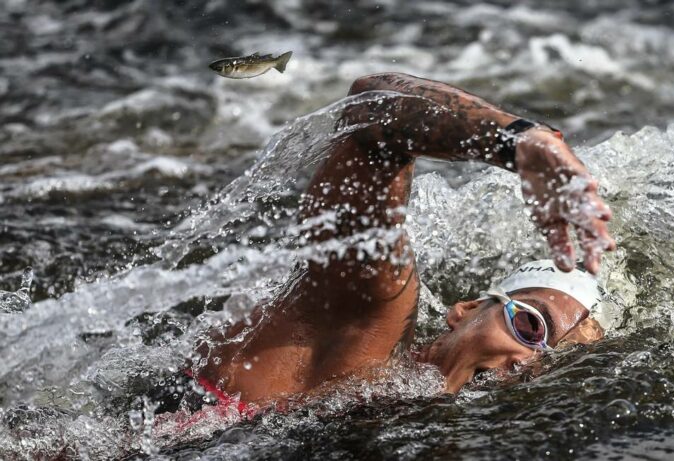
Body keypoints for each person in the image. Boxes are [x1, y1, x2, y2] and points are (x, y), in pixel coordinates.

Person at [184, 73, 615, 412]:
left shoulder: (433, 419)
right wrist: (517, 141)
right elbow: (373, 110)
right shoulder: (364, 323)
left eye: (554, 363)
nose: (528, 363)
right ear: (464, 310)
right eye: (531, 327)